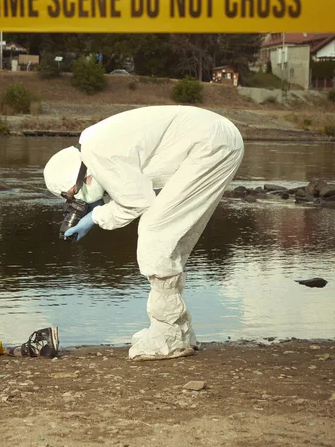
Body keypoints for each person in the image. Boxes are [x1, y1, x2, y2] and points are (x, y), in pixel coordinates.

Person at [43, 105, 244, 361]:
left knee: (154, 231)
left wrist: (95, 216)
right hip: (217, 138)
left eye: (72, 195)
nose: (77, 201)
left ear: (80, 178)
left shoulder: (99, 153)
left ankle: (167, 335)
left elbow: (139, 202)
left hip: (211, 145)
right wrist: (99, 208)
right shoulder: (94, 146)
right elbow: (136, 189)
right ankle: (179, 331)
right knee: (171, 240)